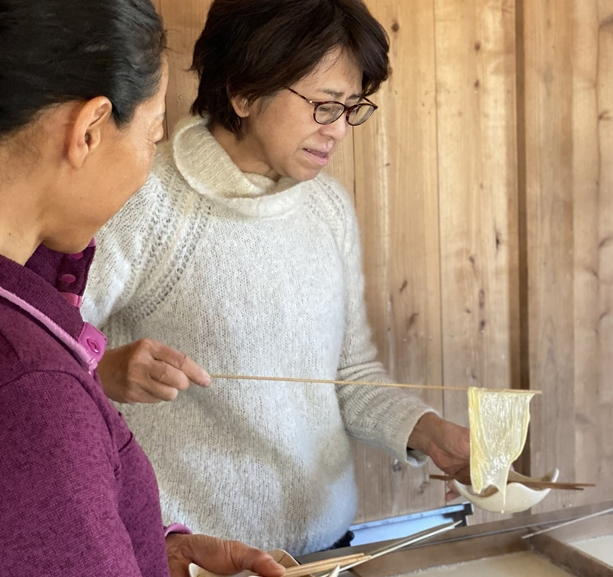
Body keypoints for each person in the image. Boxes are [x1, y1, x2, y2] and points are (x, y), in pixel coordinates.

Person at [82, 0, 471, 555]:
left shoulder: (327, 208)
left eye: (351, 108)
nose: (339, 130)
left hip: (327, 549)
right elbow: (42, 355)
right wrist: (105, 370)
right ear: (244, 92)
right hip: (190, 557)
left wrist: (429, 431)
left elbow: (349, 374)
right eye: (324, 105)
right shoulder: (144, 199)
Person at [0, 1, 287, 576]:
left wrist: (154, 551)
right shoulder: (34, 385)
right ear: (88, 130)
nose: (148, 164)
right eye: (152, 136)